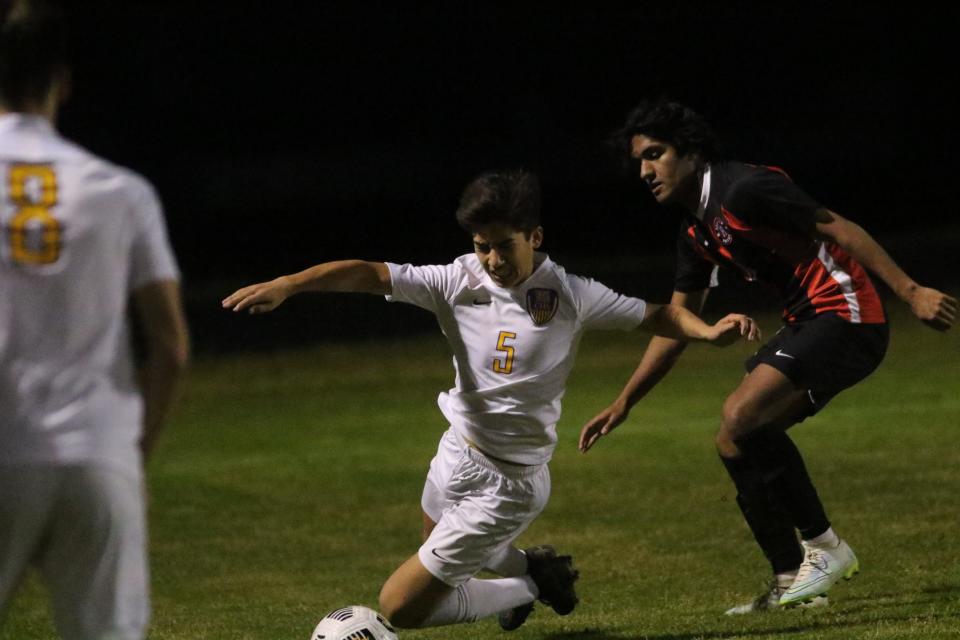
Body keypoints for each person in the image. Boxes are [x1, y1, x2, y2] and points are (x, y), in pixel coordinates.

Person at [223, 169, 759, 630]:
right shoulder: (456, 280)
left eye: (505, 245)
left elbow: (658, 314)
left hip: (510, 481)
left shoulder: (569, 294)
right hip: (456, 450)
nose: (494, 259)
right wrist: (291, 283)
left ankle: (530, 587)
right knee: (437, 564)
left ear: (534, 236)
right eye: (483, 246)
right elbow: (369, 273)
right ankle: (536, 570)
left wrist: (708, 332)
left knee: (402, 606)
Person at [579, 98, 957, 614]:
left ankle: (826, 547)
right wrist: (624, 402)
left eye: (656, 154)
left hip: (847, 313)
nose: (645, 171)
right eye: (639, 161)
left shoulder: (745, 188)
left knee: (742, 413)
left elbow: (837, 227)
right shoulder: (695, 231)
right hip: (809, 322)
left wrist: (910, 290)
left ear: (690, 152)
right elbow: (675, 323)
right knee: (733, 439)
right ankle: (788, 579)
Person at [0, 2, 190, 639]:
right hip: (96, 456)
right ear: (63, 81)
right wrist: (131, 458)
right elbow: (170, 348)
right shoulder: (120, 190)